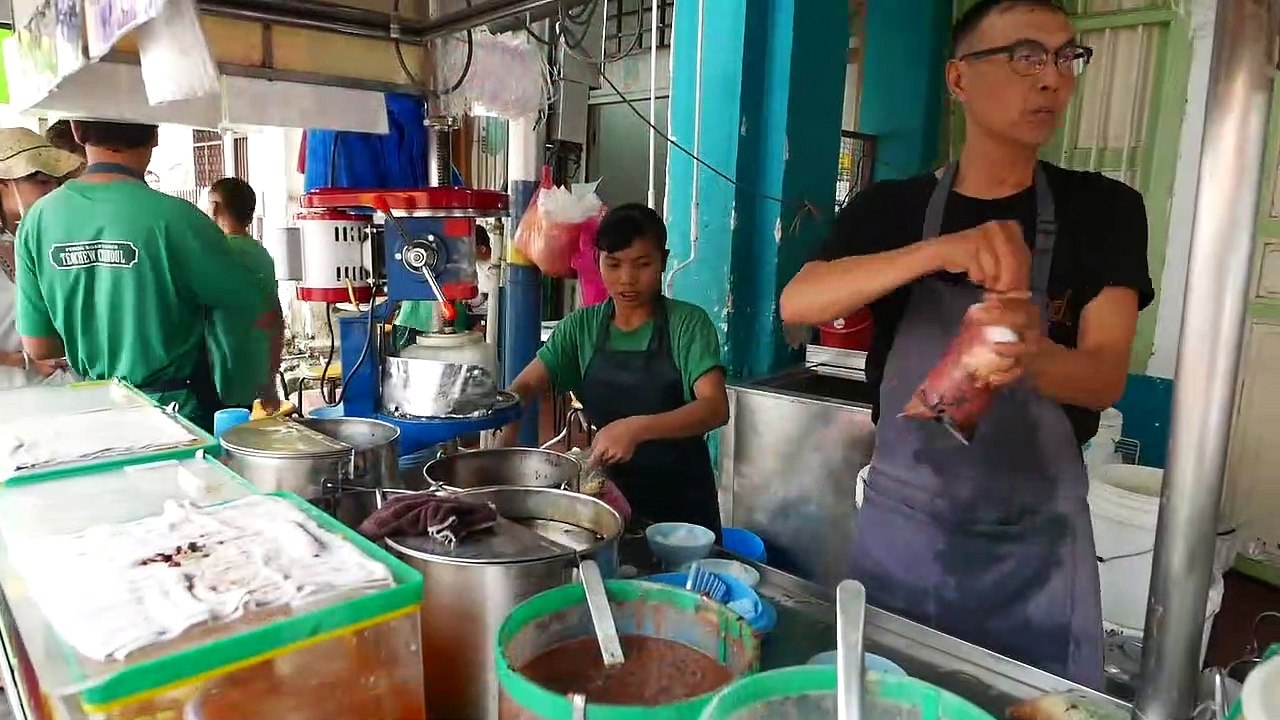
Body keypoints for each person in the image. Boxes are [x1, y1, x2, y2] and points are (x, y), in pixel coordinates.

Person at [779, 0, 1152, 688]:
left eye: (1067, 58)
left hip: (1036, 554)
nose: (1052, 79)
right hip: (905, 541)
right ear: (958, 79)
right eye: (1026, 57)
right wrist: (935, 252)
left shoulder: (1105, 211)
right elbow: (798, 304)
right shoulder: (889, 211)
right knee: (889, 698)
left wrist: (1030, 355)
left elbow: (1103, 378)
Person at [14, 120, 280, 431]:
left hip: (95, 411)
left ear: (76, 131)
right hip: (177, 418)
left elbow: (40, 348)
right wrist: (264, 388)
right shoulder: (178, 219)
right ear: (155, 135)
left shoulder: (37, 222)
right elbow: (253, 311)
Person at [504, 204, 730, 537]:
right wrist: (505, 426)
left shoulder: (687, 324)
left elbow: (715, 407)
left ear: (663, 262)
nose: (627, 279)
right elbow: (525, 386)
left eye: (643, 265)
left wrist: (636, 429)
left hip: (683, 506)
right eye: (614, 264)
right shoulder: (580, 328)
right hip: (610, 499)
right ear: (597, 261)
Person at [0, 128, 81, 389]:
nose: (53, 190)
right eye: (42, 181)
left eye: (57, 182)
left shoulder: (38, 242)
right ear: (3, 185)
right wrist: (22, 360)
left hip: (59, 394)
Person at [205, 176, 283, 411]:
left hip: (221, 373)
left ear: (214, 207)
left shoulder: (217, 253)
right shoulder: (261, 254)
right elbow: (275, 317)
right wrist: (270, 381)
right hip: (254, 373)